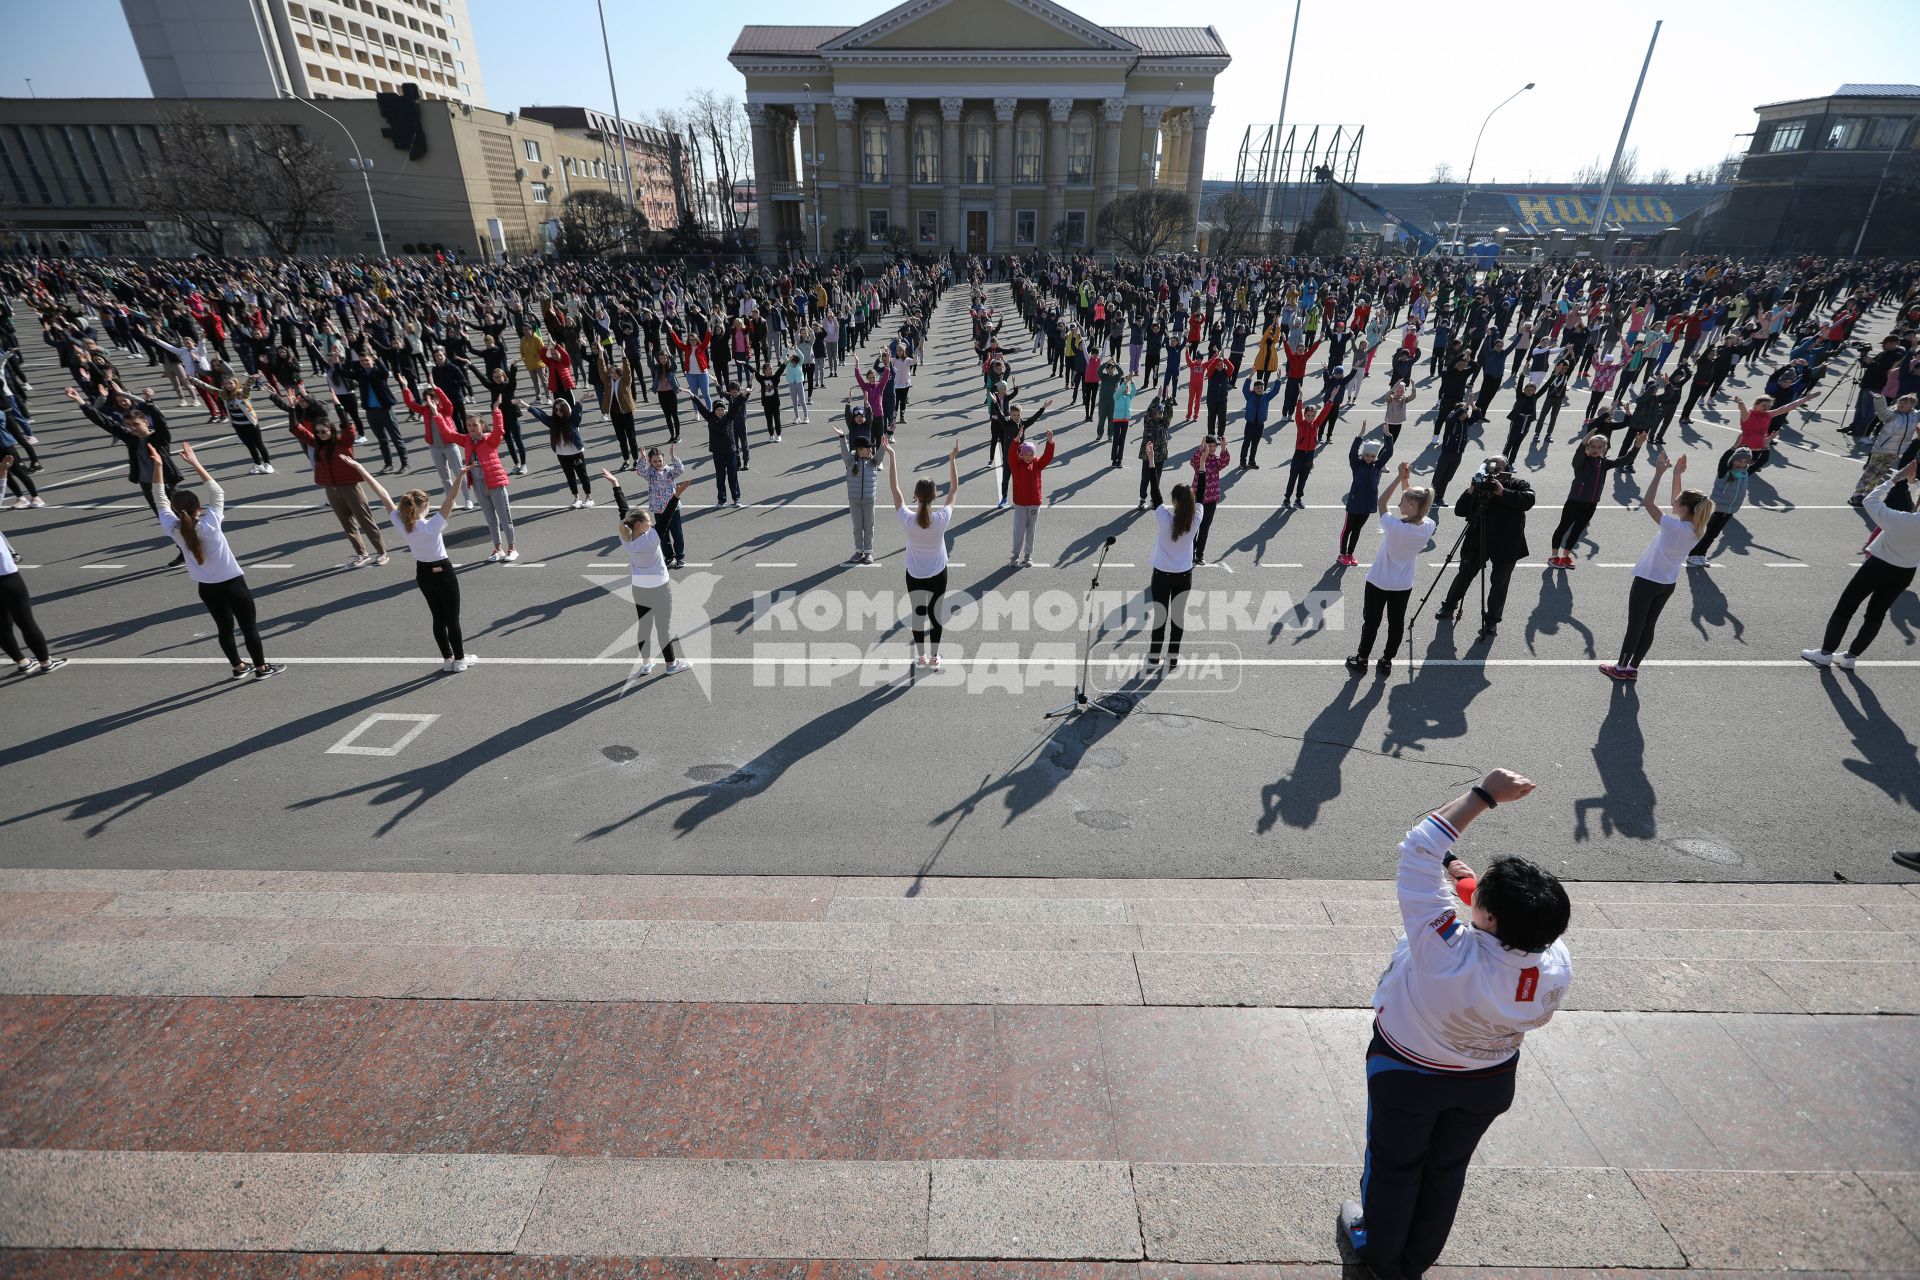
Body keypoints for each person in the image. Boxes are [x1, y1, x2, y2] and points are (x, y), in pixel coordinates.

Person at [1337, 768, 1570, 1280]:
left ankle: (1380, 1254)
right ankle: (1416, 1260)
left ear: (1484, 918)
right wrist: (1470, 885)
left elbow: (1420, 847)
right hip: (1487, 1082)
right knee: (1445, 1172)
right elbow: (1504, 932)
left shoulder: (1444, 952)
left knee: (1395, 1168)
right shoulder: (1554, 962)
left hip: (1408, 1075)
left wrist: (1483, 795)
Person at [153, 441, 283, 680]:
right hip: (233, 583)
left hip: (206, 588)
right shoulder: (210, 524)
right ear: (198, 508)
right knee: (249, 627)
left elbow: (159, 499)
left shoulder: (174, 529)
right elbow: (217, 492)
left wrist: (158, 467)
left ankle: (238, 667)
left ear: (176, 510)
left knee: (224, 629)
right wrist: (195, 463)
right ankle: (262, 668)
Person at [1601, 452, 1711, 682]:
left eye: (1678, 501)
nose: (1674, 502)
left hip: (1647, 581)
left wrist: (1658, 473)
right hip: (1667, 583)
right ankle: (1633, 667)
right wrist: (1676, 475)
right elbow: (1678, 502)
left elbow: (1648, 503)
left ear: (1683, 508)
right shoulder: (1696, 528)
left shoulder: (1673, 527)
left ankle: (1621, 668)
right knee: (1649, 625)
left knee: (1635, 626)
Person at [1803, 460, 1920, 671]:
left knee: (1846, 606)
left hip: (1878, 565)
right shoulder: (1907, 519)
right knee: (1876, 614)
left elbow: (1871, 500)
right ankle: (1850, 657)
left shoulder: (1902, 519)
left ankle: (1825, 653)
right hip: (1905, 571)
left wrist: (1894, 480)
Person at [357, 463, 472, 672]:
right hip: (443, 572)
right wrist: (460, 474)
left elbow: (382, 494)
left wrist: (360, 468)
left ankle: (448, 660)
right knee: (452, 619)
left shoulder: (403, 524)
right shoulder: (432, 526)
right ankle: (460, 660)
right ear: (424, 505)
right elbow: (451, 498)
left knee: (438, 618)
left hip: (423, 574)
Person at [605, 468, 696, 677]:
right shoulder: (651, 538)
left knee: (644, 626)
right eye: (648, 520)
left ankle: (646, 664)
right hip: (659, 588)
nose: (651, 522)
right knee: (663, 628)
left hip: (639, 588)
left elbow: (623, 510)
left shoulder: (626, 537)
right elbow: (667, 516)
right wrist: (677, 494)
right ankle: (671, 664)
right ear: (639, 524)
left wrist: (616, 485)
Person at [1346, 462, 1433, 676]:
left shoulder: (1394, 527)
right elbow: (1415, 505)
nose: (1400, 503)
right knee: (1396, 623)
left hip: (1378, 581)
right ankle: (1386, 660)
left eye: (1403, 501)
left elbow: (1381, 502)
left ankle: (1362, 658)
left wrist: (1397, 478)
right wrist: (1406, 480)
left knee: (1372, 622)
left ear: (1412, 505)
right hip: (1403, 585)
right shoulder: (1428, 526)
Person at [1435, 455, 1534, 639]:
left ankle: (1491, 621)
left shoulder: (1518, 484)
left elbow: (1528, 501)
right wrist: (1471, 489)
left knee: (1500, 583)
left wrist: (1502, 492)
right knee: (1465, 573)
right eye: (1490, 470)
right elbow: (1460, 510)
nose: (1493, 474)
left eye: (1498, 470)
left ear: (1507, 470)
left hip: (1506, 542)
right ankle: (1448, 606)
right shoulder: (1478, 484)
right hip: (1477, 538)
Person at [887, 440, 959, 668]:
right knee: (936, 615)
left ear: (916, 496)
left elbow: (894, 488)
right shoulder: (940, 520)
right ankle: (935, 657)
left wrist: (892, 455)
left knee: (918, 615)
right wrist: (952, 459)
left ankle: (920, 658)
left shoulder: (908, 519)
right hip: (938, 573)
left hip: (915, 574)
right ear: (934, 496)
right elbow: (954, 490)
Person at [1547, 430, 1646, 569]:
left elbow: (1626, 460)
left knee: (1577, 530)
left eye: (1599, 447)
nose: (1595, 449)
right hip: (1575, 501)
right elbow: (1579, 452)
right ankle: (1553, 556)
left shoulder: (1604, 463)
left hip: (1592, 504)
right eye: (1592, 446)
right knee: (1563, 527)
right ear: (1587, 447)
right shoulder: (1580, 461)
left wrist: (1637, 446)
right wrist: (1586, 438)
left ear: (1604, 450)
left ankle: (1565, 556)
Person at [445, 406, 518, 563]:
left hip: (495, 483)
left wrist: (497, 411)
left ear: (482, 426)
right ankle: (497, 549)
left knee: (505, 518)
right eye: (469, 425)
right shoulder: (466, 440)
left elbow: (500, 430)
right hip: (478, 484)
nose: (471, 428)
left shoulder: (490, 439)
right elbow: (448, 434)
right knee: (491, 520)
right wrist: (436, 414)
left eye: (474, 425)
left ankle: (512, 549)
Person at [0, 514, 65, 674]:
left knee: (1, 625)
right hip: (6, 576)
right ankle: (45, 662)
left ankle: (22, 662)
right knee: (25, 621)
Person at [1147, 483, 1197, 670]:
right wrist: (1201, 467)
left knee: (1160, 616)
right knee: (1178, 617)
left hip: (1161, 575)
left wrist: (1151, 463)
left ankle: (1154, 657)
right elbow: (1200, 495)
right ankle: (1173, 657)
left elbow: (1156, 494)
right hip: (1183, 576)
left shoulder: (1165, 519)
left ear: (1175, 501)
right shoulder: (1195, 519)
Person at [521, 392, 594, 509]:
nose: (558, 412)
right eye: (556, 410)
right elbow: (540, 414)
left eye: (561, 409)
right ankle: (577, 498)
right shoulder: (552, 422)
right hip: (562, 455)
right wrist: (525, 404)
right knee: (570, 477)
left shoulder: (573, 420)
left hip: (576, 453)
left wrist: (582, 399)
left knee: (582, 476)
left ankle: (589, 498)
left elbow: (577, 409)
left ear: (565, 409)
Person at [1687, 446, 1752, 566]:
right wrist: (1734, 447)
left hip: (1729, 511)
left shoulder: (1744, 474)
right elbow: (1723, 459)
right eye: (1738, 460)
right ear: (1733, 460)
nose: (1741, 464)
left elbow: (1761, 461)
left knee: (1713, 535)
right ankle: (1692, 555)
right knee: (1705, 532)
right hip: (1715, 509)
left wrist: (1765, 446)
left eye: (1744, 462)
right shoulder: (1724, 472)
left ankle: (1701, 554)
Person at [1338, 430, 1394, 567]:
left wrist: (1388, 436)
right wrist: (1359, 437)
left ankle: (1350, 554)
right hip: (1354, 503)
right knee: (1348, 529)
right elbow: (1352, 453)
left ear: (1375, 457)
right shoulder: (1357, 465)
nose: (1369, 458)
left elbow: (1389, 453)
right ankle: (1342, 554)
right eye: (1367, 455)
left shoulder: (1377, 466)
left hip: (1368, 505)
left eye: (1372, 456)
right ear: (1363, 455)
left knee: (1357, 530)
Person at [1851, 393, 1917, 505]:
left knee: (1879, 474)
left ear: (1912, 406)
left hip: (1896, 452)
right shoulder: (1891, 414)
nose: (1901, 404)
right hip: (1882, 450)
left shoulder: (1914, 416)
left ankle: (1867, 494)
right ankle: (1856, 495)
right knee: (1870, 473)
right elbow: (1882, 412)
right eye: (1901, 401)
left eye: (1906, 403)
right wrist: (1880, 400)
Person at [831, 422, 880, 565]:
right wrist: (842, 437)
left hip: (869, 500)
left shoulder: (873, 462)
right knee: (857, 527)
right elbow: (844, 452)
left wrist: (887, 437)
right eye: (867, 448)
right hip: (854, 500)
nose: (870, 450)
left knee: (869, 526)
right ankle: (859, 551)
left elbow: (881, 452)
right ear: (860, 449)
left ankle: (868, 552)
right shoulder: (851, 462)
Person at [1007, 428, 1056, 568]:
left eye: (1031, 454)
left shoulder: (1037, 464)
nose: (1028, 457)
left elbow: (1047, 457)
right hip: (1020, 505)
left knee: (1031, 531)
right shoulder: (1016, 465)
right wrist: (1016, 440)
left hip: (1034, 504)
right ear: (1021, 455)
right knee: (1018, 531)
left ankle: (1027, 557)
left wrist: (1050, 442)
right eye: (1026, 454)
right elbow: (1011, 455)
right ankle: (1015, 557)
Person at [639, 445, 688, 569]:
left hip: (672, 509)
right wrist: (642, 458)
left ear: (663, 460)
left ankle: (680, 556)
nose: (658, 463)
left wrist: (673, 457)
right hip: (658, 510)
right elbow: (640, 471)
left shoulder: (669, 471)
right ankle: (669, 557)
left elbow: (681, 469)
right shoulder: (649, 473)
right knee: (663, 536)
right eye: (654, 461)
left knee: (677, 534)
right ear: (650, 461)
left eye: (660, 460)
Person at [1189, 434, 1230, 566]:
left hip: (1211, 500)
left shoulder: (1216, 460)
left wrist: (1224, 449)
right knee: (1193, 528)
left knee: (1204, 528)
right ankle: (1190, 553)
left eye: (1214, 446)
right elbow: (1193, 461)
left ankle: (1199, 555)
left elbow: (1224, 462)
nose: (1212, 448)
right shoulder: (1201, 458)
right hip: (1196, 498)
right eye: (1210, 446)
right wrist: (1200, 450)